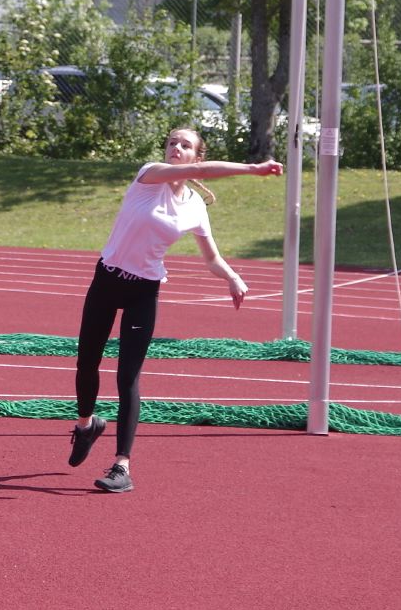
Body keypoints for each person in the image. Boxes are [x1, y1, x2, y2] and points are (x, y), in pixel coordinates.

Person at [67, 127, 283, 493]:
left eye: (185, 145)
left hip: (144, 290)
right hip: (107, 279)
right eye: (172, 142)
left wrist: (233, 277)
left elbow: (211, 257)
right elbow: (200, 172)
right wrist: (252, 169)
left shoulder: (195, 206)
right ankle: (87, 426)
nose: (176, 148)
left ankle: (122, 465)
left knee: (128, 377)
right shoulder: (150, 176)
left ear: (197, 155)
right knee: (87, 362)